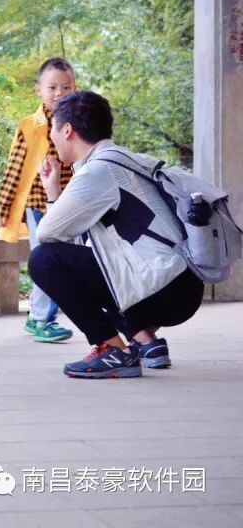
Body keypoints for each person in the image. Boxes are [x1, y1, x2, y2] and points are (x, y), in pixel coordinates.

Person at [28, 91, 204, 378]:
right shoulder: (126, 160)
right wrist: (53, 190)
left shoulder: (97, 172)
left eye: (54, 130)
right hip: (183, 284)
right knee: (99, 262)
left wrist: (51, 197)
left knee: (44, 260)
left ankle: (113, 350)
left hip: (162, 289)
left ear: (67, 130)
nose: (53, 137)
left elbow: (47, 234)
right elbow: (77, 242)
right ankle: (146, 342)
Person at [0, 58, 76, 343]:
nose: (59, 93)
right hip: (38, 203)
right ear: (38, 90)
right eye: (52, 87)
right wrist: (4, 205)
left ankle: (36, 315)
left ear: (75, 88)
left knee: (60, 260)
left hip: (71, 204)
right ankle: (43, 319)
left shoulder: (79, 122)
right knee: (48, 258)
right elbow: (15, 168)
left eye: (66, 87)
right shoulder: (30, 126)